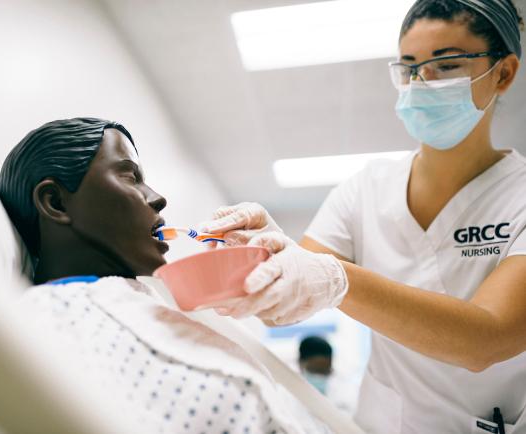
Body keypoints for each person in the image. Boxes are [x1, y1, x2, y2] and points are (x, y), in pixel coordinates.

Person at [201, 1, 526, 432]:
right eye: (409, 68)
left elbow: (486, 338)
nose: (421, 83)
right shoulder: (364, 190)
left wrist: (336, 277)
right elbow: (290, 303)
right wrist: (268, 257)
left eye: (446, 65)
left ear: (503, 73)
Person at [0, 118, 333, 434]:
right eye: (130, 177)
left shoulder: (140, 300)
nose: (158, 198)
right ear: (55, 202)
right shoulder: (47, 322)